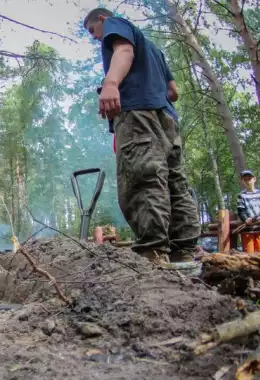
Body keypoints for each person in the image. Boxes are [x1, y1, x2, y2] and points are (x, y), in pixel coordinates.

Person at [84, 9, 200, 264]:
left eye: (93, 31)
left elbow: (124, 51)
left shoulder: (116, 24)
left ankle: (154, 253)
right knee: (174, 183)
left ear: (102, 20)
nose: (94, 38)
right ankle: (185, 252)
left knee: (143, 177)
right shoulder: (154, 50)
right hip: (166, 118)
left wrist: (111, 84)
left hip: (138, 114)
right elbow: (173, 91)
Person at [236, 169, 260, 253]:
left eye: (249, 179)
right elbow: (241, 211)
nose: (248, 181)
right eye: (245, 180)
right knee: (249, 253)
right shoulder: (241, 195)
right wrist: (246, 219)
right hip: (247, 229)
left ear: (254, 179)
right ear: (242, 182)